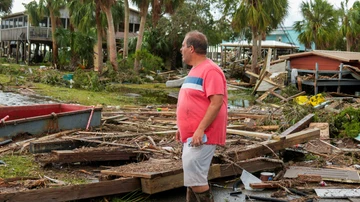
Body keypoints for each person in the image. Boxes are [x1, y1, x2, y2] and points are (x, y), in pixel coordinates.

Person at [176, 30, 228, 202]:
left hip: (203, 135)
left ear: (191, 48)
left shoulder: (211, 70)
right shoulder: (195, 70)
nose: (181, 49)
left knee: (196, 179)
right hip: (192, 135)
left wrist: (200, 129)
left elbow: (216, 103)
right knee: (192, 178)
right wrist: (181, 127)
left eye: (183, 45)